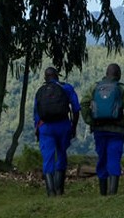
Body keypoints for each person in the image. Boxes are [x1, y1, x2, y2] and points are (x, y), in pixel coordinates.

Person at [81, 63, 124, 195]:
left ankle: (103, 192)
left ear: (106, 74)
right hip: (116, 131)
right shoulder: (121, 88)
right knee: (113, 158)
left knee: (102, 158)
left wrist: (90, 120)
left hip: (99, 130)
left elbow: (84, 103)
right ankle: (113, 192)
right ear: (118, 75)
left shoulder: (95, 87)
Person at [33, 67, 80, 197]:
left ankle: (50, 191)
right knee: (61, 154)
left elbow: (36, 114)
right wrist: (73, 126)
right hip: (63, 125)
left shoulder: (40, 91)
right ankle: (60, 189)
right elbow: (76, 108)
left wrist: (37, 131)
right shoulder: (67, 88)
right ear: (57, 76)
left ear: (45, 78)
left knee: (48, 158)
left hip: (46, 128)